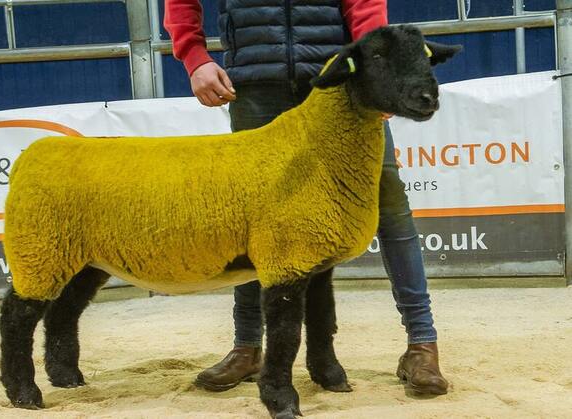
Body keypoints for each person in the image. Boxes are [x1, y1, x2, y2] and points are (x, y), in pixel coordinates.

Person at [164, 0, 449, 395]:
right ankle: (248, 346)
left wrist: (377, 71)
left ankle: (422, 345)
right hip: (256, 84)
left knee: (388, 205)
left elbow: (365, 3)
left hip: (341, 83)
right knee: (252, 216)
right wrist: (194, 58)